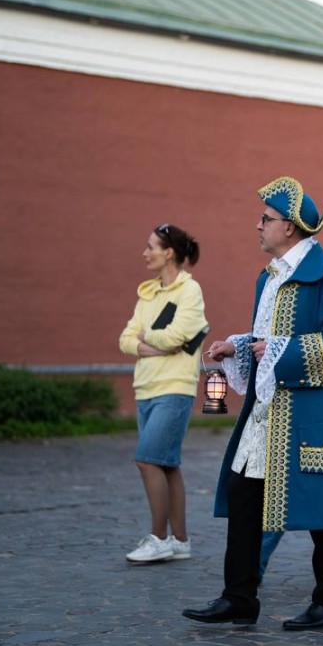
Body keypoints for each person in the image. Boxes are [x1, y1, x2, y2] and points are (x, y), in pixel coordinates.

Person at [182, 176, 323, 629]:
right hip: (267, 409)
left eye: (266, 219)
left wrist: (279, 350)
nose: (258, 226)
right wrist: (239, 346)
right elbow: (266, 339)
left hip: (314, 413)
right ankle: (239, 597)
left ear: (290, 228)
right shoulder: (267, 278)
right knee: (243, 495)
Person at [120, 223, 208, 563]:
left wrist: (147, 339)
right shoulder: (147, 293)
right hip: (146, 387)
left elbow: (179, 336)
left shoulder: (190, 291)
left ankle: (158, 537)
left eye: (150, 246)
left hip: (175, 387)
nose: (145, 253)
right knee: (167, 464)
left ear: (168, 252)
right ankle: (180, 541)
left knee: (147, 459)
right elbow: (125, 338)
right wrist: (148, 343)